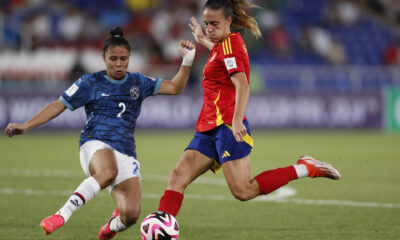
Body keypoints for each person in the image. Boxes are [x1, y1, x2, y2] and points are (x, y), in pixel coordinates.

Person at [4, 27, 196, 240]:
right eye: (113, 58)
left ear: (129, 58)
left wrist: (187, 60)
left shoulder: (138, 82)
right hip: (94, 143)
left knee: (131, 215)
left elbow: (175, 87)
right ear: (103, 57)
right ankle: (62, 214)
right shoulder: (90, 83)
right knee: (107, 172)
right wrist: (26, 125)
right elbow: (58, 106)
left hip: (125, 151)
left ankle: (109, 228)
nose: (118, 63)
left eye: (123, 58)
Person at [156, 0, 341, 220]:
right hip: (208, 126)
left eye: (214, 23)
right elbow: (219, 55)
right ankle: (162, 227)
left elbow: (242, 84)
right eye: (206, 23)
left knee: (244, 191)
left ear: (228, 21)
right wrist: (203, 39)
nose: (209, 28)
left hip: (226, 127)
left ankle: (305, 168)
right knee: (177, 177)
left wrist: (236, 121)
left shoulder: (230, 47)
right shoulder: (223, 45)